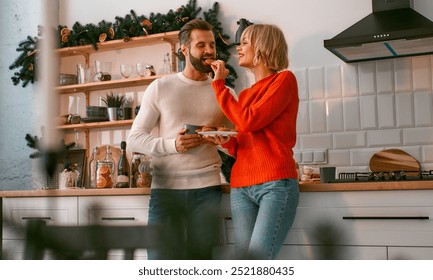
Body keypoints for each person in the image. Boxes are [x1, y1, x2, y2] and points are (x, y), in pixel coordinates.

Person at [127, 19, 230, 260]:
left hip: (207, 191)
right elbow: (134, 139)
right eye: (201, 45)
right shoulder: (161, 87)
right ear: (184, 49)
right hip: (166, 192)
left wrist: (222, 140)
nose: (209, 51)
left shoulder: (224, 91)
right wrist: (173, 144)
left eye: (212, 45)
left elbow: (238, 146)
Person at [209, 24, 300, 259]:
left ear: (263, 46)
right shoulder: (247, 94)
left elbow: (249, 121)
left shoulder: (284, 81)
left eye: (245, 42)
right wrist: (226, 142)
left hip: (275, 184)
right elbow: (244, 142)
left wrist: (220, 86)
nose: (238, 48)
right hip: (240, 186)